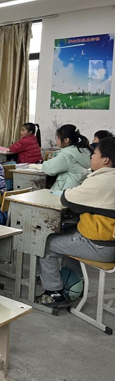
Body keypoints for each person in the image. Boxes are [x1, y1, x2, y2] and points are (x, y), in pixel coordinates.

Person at [36, 137, 115, 305]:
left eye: (95, 153)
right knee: (70, 234)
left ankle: (54, 292)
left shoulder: (103, 180)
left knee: (44, 243)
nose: (91, 157)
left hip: (101, 246)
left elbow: (68, 199)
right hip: (108, 242)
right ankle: (76, 285)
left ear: (106, 160)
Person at [42, 124, 92, 192]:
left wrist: (43, 164)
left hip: (65, 191)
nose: (57, 140)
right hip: (78, 189)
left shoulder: (67, 155)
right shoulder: (84, 151)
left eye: (58, 138)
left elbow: (49, 168)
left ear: (66, 140)